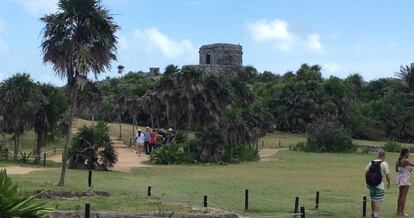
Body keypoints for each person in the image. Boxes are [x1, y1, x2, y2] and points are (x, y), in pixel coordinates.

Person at [365, 150, 391, 218]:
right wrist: (389, 183)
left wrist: (368, 182)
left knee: (373, 199)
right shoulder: (384, 163)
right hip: (380, 184)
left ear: (378, 155)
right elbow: (387, 175)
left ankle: (373, 213)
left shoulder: (371, 162)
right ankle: (375, 215)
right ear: (384, 156)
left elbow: (366, 173)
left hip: (371, 184)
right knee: (378, 200)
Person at [396, 148, 414, 216]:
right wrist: (408, 170)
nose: (409, 154)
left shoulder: (398, 161)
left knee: (400, 196)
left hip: (400, 178)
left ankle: (398, 211)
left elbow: (397, 170)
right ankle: (402, 212)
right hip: (405, 179)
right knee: (404, 196)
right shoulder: (406, 161)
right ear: (405, 154)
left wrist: (406, 170)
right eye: (408, 153)